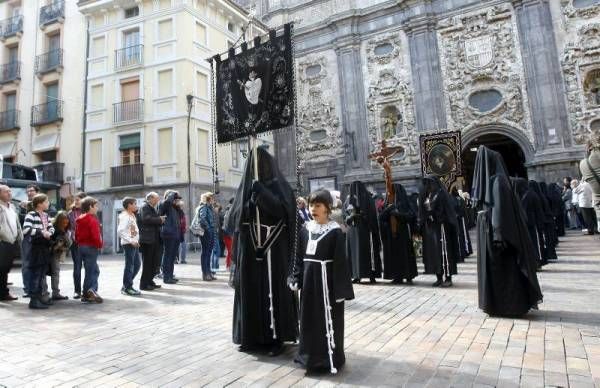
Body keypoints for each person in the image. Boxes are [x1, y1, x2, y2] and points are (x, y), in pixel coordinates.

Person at [228, 146, 299, 356]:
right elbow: (234, 220)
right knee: (250, 290)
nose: (260, 168)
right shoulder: (246, 188)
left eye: (263, 164)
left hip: (274, 250)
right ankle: (250, 336)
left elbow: (282, 211)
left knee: (273, 292)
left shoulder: (280, 187)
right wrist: (250, 201)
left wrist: (263, 193)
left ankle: (275, 338)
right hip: (250, 251)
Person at [472, 146, 543, 317]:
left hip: (500, 236)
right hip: (493, 233)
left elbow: (500, 211)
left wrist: (497, 233)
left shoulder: (498, 182)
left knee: (506, 272)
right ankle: (498, 304)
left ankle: (510, 306)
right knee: (497, 272)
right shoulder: (493, 182)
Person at [289, 189, 354, 374]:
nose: (312, 209)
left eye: (318, 206)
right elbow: (299, 257)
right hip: (309, 285)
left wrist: (341, 292)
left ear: (328, 209)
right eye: (311, 205)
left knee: (327, 321)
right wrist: (296, 277)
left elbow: (341, 264)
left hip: (327, 287)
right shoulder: (304, 230)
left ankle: (329, 358)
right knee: (308, 320)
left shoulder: (335, 232)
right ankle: (308, 356)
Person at [418, 176, 460, 287]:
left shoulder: (441, 194)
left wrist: (436, 216)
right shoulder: (428, 196)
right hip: (431, 229)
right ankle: (439, 276)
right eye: (427, 184)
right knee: (434, 254)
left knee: (444, 253)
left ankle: (448, 277)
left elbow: (446, 210)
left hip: (442, 228)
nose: (429, 186)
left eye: (430, 183)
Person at [379, 183, 418, 284]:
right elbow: (381, 217)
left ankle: (408, 275)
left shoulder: (405, 202)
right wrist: (388, 209)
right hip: (391, 234)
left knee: (405, 254)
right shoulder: (387, 203)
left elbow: (411, 216)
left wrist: (398, 214)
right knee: (394, 256)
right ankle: (397, 276)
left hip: (403, 233)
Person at [344, 180, 382, 284]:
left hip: (365, 231)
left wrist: (362, 215)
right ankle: (356, 275)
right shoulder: (348, 199)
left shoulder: (367, 198)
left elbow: (372, 216)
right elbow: (345, 214)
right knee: (354, 254)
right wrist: (350, 217)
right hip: (353, 231)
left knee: (367, 254)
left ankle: (371, 274)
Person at [23, 194, 55, 309]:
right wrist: (42, 232)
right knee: (36, 274)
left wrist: (49, 233)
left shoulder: (46, 215)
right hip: (35, 248)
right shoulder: (31, 215)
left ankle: (40, 297)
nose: (48, 204)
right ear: (39, 204)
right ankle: (34, 300)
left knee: (42, 274)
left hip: (44, 247)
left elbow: (51, 228)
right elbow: (26, 230)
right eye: (46, 202)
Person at [75, 197, 103, 304]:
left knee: (94, 270)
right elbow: (96, 236)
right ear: (90, 206)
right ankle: (87, 293)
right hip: (91, 247)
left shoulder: (80, 218)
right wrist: (99, 245)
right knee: (90, 272)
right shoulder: (92, 219)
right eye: (95, 206)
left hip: (81, 247)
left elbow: (76, 234)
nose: (97, 208)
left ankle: (91, 290)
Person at [513, 178, 546, 268]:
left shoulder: (531, 194)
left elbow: (538, 211)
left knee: (535, 243)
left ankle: (537, 262)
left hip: (532, 223)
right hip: (526, 224)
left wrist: (540, 224)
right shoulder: (520, 195)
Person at [41, 211, 71, 301]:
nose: (65, 224)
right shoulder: (54, 229)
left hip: (55, 254)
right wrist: (57, 245)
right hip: (50, 253)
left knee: (55, 273)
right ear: (59, 221)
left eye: (67, 222)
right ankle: (46, 293)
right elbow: (49, 241)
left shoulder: (63, 230)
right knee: (49, 273)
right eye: (64, 222)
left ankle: (55, 293)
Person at [0, 184, 22, 302]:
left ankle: (3, 292)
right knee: (2, 268)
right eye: (5, 192)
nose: (9, 193)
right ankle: (3, 293)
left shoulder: (12, 206)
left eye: (10, 191)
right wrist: (6, 236)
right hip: (3, 242)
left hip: (12, 242)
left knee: (6, 268)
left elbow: (16, 222)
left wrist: (19, 235)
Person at [139, 192, 164, 291]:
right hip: (147, 240)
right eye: (156, 198)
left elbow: (152, 220)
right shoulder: (145, 207)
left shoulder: (152, 208)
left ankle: (150, 281)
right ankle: (144, 284)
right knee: (147, 263)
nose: (158, 200)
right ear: (150, 198)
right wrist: (159, 219)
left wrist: (160, 220)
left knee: (154, 262)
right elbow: (146, 219)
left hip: (154, 238)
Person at [529, 181, 558, 262]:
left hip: (544, 221)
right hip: (548, 220)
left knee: (545, 240)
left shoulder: (536, 196)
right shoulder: (542, 196)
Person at [118, 197, 142, 296]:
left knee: (136, 264)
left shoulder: (131, 215)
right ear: (129, 205)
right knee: (130, 266)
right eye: (135, 204)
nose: (136, 206)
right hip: (129, 244)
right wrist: (131, 241)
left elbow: (132, 230)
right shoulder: (125, 216)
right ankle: (127, 287)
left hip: (133, 243)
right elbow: (120, 231)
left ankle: (127, 285)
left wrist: (135, 240)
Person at [160, 190, 182, 284]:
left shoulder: (174, 207)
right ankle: (166, 277)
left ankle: (170, 275)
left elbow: (181, 215)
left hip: (175, 234)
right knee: (168, 256)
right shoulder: (165, 205)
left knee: (172, 256)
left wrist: (178, 206)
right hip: (168, 233)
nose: (177, 200)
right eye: (176, 199)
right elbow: (165, 204)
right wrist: (172, 194)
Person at [68, 192, 87, 299]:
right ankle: (77, 291)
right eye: (75, 199)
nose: (76, 201)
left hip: (87, 243)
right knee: (77, 267)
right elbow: (68, 227)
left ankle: (88, 290)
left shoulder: (88, 212)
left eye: (78, 199)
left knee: (90, 267)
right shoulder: (70, 213)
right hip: (75, 243)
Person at [196, 192, 216, 281]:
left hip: (210, 232)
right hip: (206, 233)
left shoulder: (210, 208)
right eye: (212, 198)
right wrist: (208, 229)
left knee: (208, 253)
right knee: (205, 253)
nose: (213, 200)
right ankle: (205, 273)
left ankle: (208, 272)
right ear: (208, 199)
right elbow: (202, 219)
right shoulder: (204, 207)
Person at [450, 187, 473, 261]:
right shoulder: (459, 199)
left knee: (460, 237)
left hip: (458, 220)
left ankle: (461, 252)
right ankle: (465, 251)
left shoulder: (453, 199)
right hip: (461, 220)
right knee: (463, 236)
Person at [223, 198, 234, 270]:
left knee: (230, 251)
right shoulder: (230, 210)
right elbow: (228, 224)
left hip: (227, 233)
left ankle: (229, 265)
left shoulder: (228, 210)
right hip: (228, 234)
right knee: (230, 251)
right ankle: (228, 266)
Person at [211, 203, 223, 274]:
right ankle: (214, 268)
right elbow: (215, 225)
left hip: (216, 234)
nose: (218, 209)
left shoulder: (216, 213)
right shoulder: (214, 213)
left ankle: (215, 268)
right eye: (217, 207)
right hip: (214, 234)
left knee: (215, 252)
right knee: (216, 251)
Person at [176, 200, 188, 264]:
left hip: (182, 231)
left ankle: (183, 259)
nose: (182, 207)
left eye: (182, 205)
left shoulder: (182, 212)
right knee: (177, 246)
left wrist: (184, 228)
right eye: (181, 205)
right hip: (177, 231)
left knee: (183, 246)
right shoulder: (176, 212)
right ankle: (176, 259)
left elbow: (184, 221)